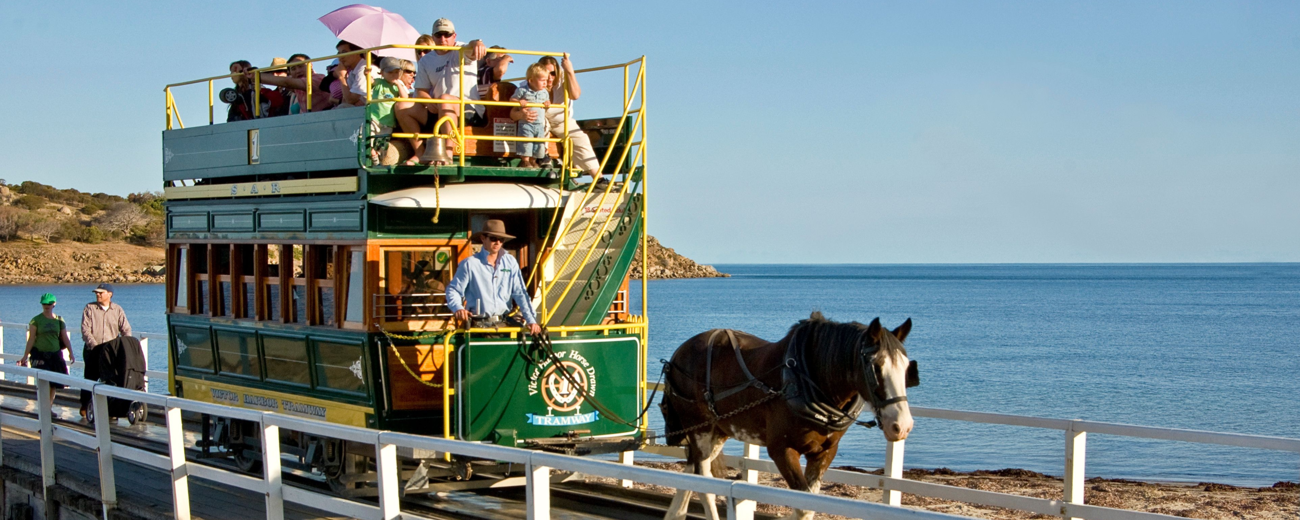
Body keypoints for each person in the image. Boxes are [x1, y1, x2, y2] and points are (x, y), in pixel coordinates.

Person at [396, 18, 488, 165]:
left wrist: (478, 43)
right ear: (433, 37)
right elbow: (420, 91)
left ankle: (448, 154)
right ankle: (421, 153)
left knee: (445, 99)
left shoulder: (461, 49)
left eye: (447, 34)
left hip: (468, 109)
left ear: (454, 36)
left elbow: (471, 48)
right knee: (401, 106)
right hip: (439, 108)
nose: (443, 39)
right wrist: (429, 101)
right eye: (438, 35)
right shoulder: (426, 60)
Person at [445, 220, 542, 335]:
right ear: (483, 238)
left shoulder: (510, 261)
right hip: (479, 327)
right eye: (493, 238)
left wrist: (531, 320)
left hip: (505, 325)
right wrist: (458, 308)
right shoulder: (469, 264)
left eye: (501, 239)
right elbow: (453, 290)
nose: (497, 242)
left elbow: (520, 292)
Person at [534, 55, 600, 180]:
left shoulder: (563, 79)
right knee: (541, 123)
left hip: (562, 121)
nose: (550, 77)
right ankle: (544, 158)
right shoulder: (534, 81)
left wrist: (569, 70)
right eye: (546, 73)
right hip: (543, 119)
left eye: (553, 73)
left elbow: (575, 95)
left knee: (581, 138)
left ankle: (598, 178)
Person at [80, 283, 132, 419]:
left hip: (110, 353)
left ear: (109, 294)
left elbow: (125, 329)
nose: (98, 295)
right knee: (90, 378)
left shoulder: (117, 310)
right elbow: (86, 330)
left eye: (101, 293)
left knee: (111, 380)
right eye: (96, 293)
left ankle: (112, 408)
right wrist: (95, 346)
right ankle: (85, 405)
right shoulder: (89, 308)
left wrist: (126, 346)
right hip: (93, 350)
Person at [18, 293, 75, 410]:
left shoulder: (59, 320)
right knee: (44, 382)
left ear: (54, 304)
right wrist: (25, 356)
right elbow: (31, 338)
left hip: (55, 354)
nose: (46, 306)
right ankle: (44, 408)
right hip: (40, 354)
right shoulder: (36, 320)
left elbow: (64, 337)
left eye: (49, 303)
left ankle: (48, 408)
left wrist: (71, 352)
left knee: (54, 383)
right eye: (44, 303)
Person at [366, 57, 413, 162]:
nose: (393, 75)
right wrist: (367, 74)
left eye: (396, 72)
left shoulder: (398, 86)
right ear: (382, 73)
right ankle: (372, 154)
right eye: (390, 72)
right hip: (375, 118)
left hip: (388, 122)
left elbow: (405, 98)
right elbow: (370, 82)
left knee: (382, 145)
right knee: (369, 138)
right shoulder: (379, 82)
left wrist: (398, 84)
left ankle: (377, 159)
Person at [256, 54, 333, 113]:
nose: (297, 71)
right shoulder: (294, 83)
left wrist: (254, 76)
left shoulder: (318, 79)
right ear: (289, 72)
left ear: (310, 65)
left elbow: (286, 82)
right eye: (293, 69)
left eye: (300, 66)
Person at [511, 64, 552, 168]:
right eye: (542, 80)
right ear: (531, 81)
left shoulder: (544, 92)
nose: (545, 83)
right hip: (526, 124)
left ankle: (533, 161)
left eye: (546, 80)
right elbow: (512, 100)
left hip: (539, 124)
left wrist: (547, 103)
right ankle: (525, 161)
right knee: (526, 142)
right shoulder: (522, 90)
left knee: (538, 144)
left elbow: (546, 103)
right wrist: (519, 101)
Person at [338, 40, 380, 107]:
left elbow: (351, 100)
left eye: (344, 52)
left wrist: (342, 77)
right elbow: (346, 99)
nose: (341, 57)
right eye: (339, 54)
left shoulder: (365, 68)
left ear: (357, 52)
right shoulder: (352, 72)